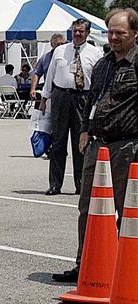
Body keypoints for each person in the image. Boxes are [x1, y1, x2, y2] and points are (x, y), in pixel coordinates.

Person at [53, 8, 138, 284]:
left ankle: (126, 268)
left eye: (120, 33)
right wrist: (86, 130)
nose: (113, 37)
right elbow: (93, 100)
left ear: (135, 34)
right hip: (96, 146)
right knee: (87, 206)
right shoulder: (103, 64)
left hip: (126, 146)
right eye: (111, 32)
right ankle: (85, 264)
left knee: (127, 210)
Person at [45, 18, 103, 196]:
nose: (77, 34)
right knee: (58, 142)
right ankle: (55, 184)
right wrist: (44, 97)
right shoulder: (60, 51)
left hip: (82, 99)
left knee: (81, 143)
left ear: (87, 33)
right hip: (61, 96)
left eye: (81, 31)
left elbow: (98, 82)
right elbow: (50, 75)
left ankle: (81, 184)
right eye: (75, 30)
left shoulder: (95, 53)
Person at [29, 33, 66, 108]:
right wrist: (33, 89)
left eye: (62, 44)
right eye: (58, 44)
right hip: (49, 92)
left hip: (64, 92)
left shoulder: (67, 56)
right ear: (52, 44)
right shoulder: (45, 57)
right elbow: (37, 73)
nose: (60, 47)